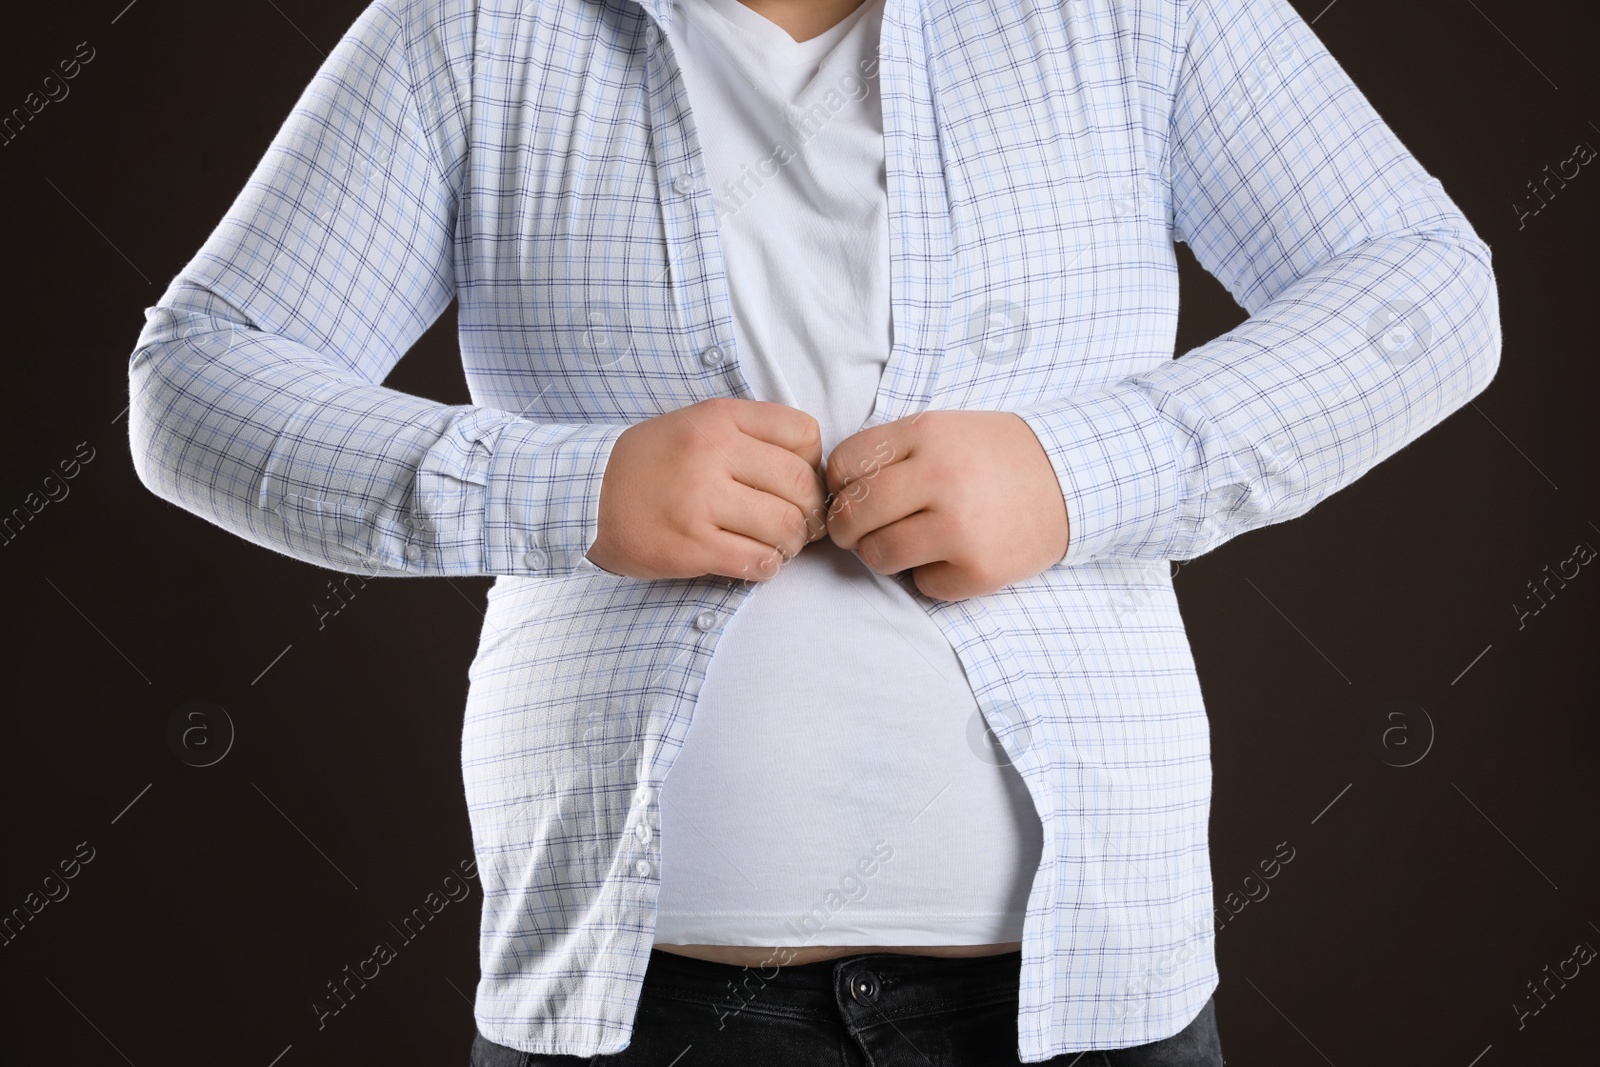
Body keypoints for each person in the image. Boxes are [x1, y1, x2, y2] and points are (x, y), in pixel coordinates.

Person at [124, 0, 1500, 1062]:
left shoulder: (1137, 11)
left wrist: (1078, 473)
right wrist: (568, 493)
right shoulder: (474, 28)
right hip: (627, 1008)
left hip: (1085, 1006)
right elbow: (195, 380)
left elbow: (1427, 292)